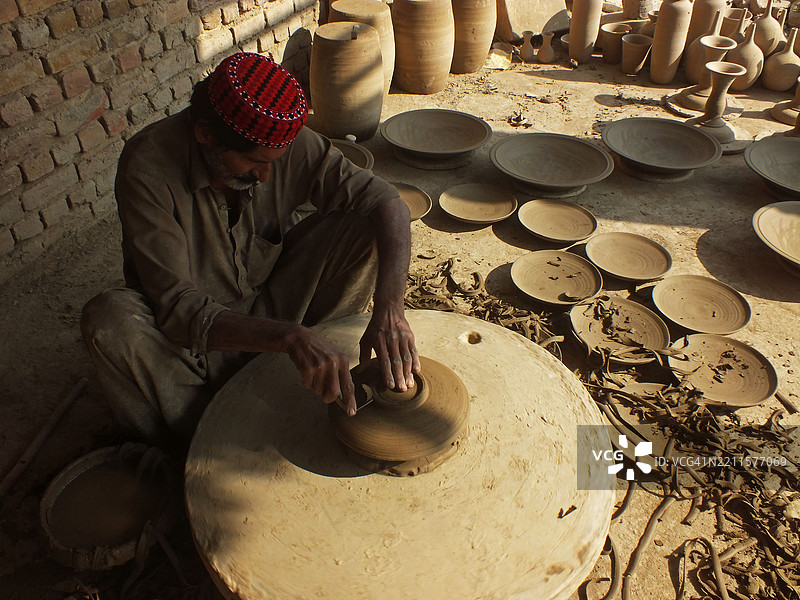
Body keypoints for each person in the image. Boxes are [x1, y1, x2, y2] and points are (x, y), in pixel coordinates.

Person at [81, 52, 420, 448]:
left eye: (274, 162)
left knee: (366, 226)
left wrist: (390, 309)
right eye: (253, 162)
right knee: (109, 320)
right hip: (193, 346)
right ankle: (194, 444)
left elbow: (388, 203)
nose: (265, 176)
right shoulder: (148, 170)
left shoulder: (278, 139)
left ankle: (319, 366)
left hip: (271, 304)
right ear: (205, 133)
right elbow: (179, 311)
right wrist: (289, 338)